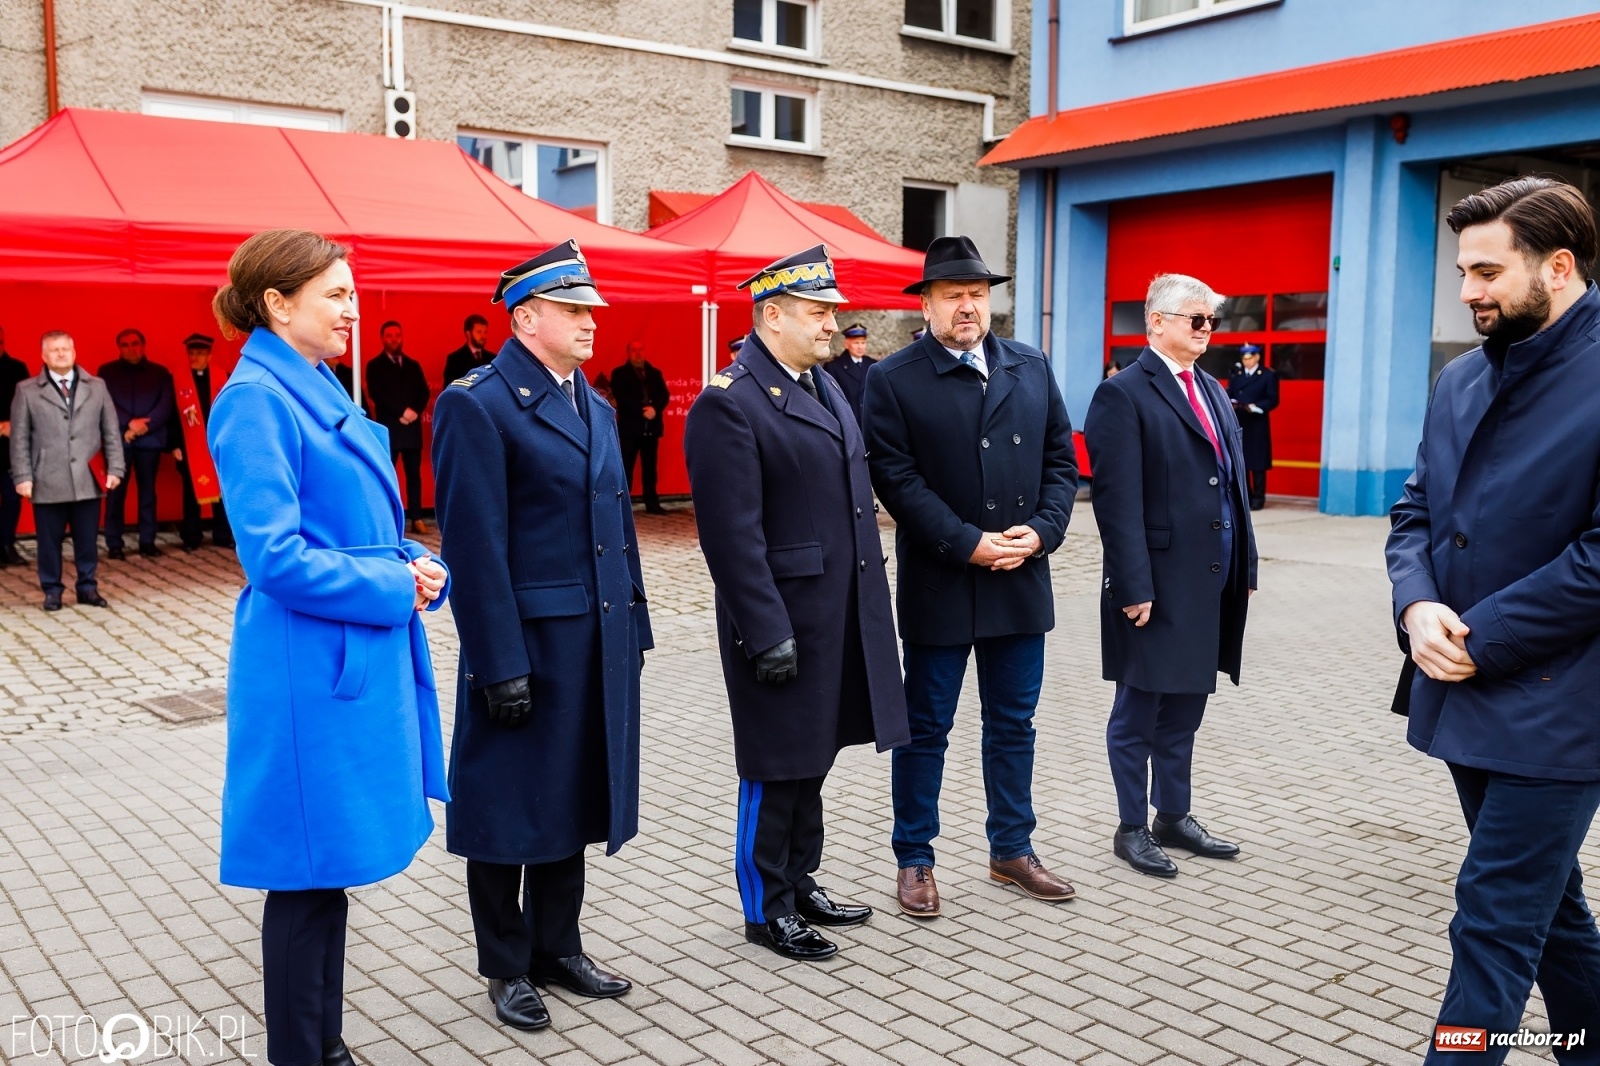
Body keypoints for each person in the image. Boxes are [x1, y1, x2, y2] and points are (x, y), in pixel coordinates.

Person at [207, 229, 449, 1066]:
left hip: (340, 656)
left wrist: (412, 559)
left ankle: (324, 1044)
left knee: (325, 874)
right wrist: (392, 584)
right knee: (305, 878)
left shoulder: (308, 384)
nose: (354, 309)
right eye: (337, 294)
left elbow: (350, 526)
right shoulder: (256, 400)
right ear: (277, 304)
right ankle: (302, 1052)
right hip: (307, 668)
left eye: (353, 292)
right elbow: (274, 557)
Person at [1388, 176, 1600, 1059]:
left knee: (1494, 916)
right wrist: (1417, 605)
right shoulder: (1461, 379)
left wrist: (1485, 638)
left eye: (1487, 272)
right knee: (1554, 910)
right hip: (1461, 687)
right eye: (1461, 272)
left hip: (1565, 703)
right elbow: (1415, 513)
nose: (1468, 291)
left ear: (1558, 266)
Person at [432, 239, 649, 1033]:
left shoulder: (595, 404)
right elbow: (474, 545)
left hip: (593, 640)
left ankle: (559, 946)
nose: (592, 322)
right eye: (573, 309)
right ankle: (506, 964)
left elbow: (618, 528)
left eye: (593, 310)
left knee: (572, 798)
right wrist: (499, 663)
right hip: (524, 647)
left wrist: (634, 625)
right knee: (505, 809)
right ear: (525, 319)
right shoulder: (478, 404)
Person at [683, 246, 910, 962]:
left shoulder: (822, 385)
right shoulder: (729, 401)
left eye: (833, 312)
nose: (833, 324)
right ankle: (766, 906)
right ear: (772, 315)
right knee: (776, 765)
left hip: (836, 613)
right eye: (819, 312)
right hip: (780, 621)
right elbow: (731, 537)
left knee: (814, 757)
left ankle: (800, 879)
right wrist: (764, 629)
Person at [861, 235, 1079, 918]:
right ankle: (914, 857)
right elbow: (896, 479)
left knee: (1014, 724)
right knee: (925, 728)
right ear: (925, 304)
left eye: (977, 294)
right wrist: (967, 543)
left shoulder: (1030, 365)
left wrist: (1041, 531)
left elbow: (1062, 464)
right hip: (943, 581)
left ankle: (1012, 849)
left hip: (1019, 576)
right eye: (953, 294)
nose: (967, 306)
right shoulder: (892, 379)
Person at [1084, 274, 1256, 879]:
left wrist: (1246, 563)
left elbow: (1233, 486)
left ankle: (1173, 816)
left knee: (1186, 707)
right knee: (1139, 710)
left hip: (1209, 578)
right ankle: (1131, 826)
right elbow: (1116, 503)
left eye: (1212, 320)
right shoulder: (1123, 394)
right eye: (1196, 319)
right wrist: (1133, 586)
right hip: (1155, 584)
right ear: (1156, 321)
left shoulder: (1210, 388)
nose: (1207, 329)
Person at [10, 331, 124, 610]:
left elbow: (110, 430)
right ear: (43, 355)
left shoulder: (96, 386)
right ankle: (52, 589)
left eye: (65, 349)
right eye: (54, 350)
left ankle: (87, 587)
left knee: (87, 540)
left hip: (88, 477)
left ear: (74, 352)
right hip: (47, 478)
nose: (61, 354)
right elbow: (19, 438)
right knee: (49, 542)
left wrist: (115, 467)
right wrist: (23, 476)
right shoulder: (26, 390)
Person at [99, 328, 175, 559]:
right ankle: (114, 543)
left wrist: (144, 427)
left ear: (143, 345)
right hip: (118, 440)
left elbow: (165, 405)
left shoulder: (160, 373)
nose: (131, 348)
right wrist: (128, 423)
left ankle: (147, 541)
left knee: (148, 493)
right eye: (125, 345)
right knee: (116, 494)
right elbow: (105, 403)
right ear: (119, 348)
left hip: (150, 441)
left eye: (135, 344)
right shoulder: (107, 372)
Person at [364, 321, 431, 534]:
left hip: (412, 429)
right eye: (390, 336)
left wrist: (415, 411)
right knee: (387, 476)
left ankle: (417, 518)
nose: (394, 339)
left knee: (414, 476)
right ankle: (389, 520)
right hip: (390, 428)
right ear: (383, 339)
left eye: (397, 335)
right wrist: (402, 412)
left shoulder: (413, 365)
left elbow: (423, 392)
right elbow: (376, 394)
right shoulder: (374, 366)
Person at [172, 334, 234, 551]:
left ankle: (222, 535)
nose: (194, 357)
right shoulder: (177, 380)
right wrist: (174, 445)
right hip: (189, 446)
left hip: (218, 445)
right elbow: (172, 415)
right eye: (191, 353)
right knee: (190, 494)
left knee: (222, 492)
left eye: (199, 353)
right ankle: (191, 537)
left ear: (209, 355)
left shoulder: (223, 377)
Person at [610, 340, 670, 514]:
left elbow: (663, 395)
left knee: (650, 469)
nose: (638, 353)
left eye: (640, 349)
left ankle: (652, 504)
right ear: (629, 353)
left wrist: (654, 409)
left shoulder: (654, 373)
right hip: (631, 428)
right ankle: (622, 505)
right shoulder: (620, 374)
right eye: (634, 350)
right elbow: (622, 397)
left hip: (651, 428)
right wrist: (641, 410)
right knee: (626, 467)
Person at [1226, 343, 1278, 510]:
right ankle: (1246, 497)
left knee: (1258, 463)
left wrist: (1257, 406)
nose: (1246, 362)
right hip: (1240, 421)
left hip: (1257, 423)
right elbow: (1229, 393)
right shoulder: (1237, 374)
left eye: (1249, 358)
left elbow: (1273, 398)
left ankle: (1259, 498)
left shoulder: (1267, 375)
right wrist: (1232, 403)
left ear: (1257, 357)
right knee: (1242, 462)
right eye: (1244, 358)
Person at [0, 326, 28, 566]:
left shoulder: (17, 369)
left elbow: (28, 405)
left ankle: (7, 545)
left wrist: (14, 424)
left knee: (12, 499)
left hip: (11, 447)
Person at [824, 323, 874, 425]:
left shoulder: (872, 364)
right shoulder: (834, 367)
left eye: (863, 342)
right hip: (848, 421)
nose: (860, 347)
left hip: (869, 421)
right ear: (846, 344)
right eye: (856, 343)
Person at [442, 313, 494, 387]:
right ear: (468, 333)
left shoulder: (493, 359)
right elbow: (450, 389)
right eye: (479, 332)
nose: (483, 336)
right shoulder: (455, 360)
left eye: (485, 332)